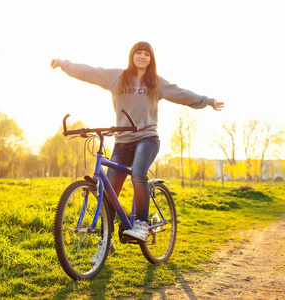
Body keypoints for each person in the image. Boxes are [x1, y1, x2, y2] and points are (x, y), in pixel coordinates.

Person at [51, 41, 224, 258]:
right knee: (109, 190)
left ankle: (141, 223)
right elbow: (90, 72)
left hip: (147, 138)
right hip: (123, 141)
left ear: (151, 59)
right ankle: (106, 241)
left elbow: (181, 94)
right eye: (138, 53)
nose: (142, 57)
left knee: (138, 173)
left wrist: (207, 101)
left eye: (146, 54)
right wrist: (63, 64)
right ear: (131, 55)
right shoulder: (117, 77)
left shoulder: (155, 83)